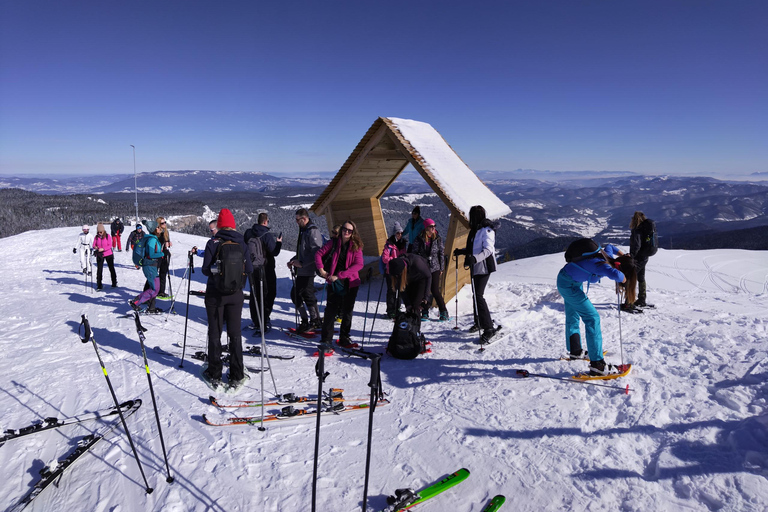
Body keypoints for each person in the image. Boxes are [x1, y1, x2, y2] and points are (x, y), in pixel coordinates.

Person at [557, 238, 630, 376]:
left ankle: (576, 351)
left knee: (573, 316)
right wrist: (625, 278)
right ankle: (598, 366)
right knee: (592, 318)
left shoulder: (603, 254)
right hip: (568, 285)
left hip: (567, 280)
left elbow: (610, 246)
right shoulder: (601, 264)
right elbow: (618, 276)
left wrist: (624, 255)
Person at [200, 208, 253, 392]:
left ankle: (215, 373)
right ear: (233, 225)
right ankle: (237, 373)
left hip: (215, 296)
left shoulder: (213, 242)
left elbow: (205, 270)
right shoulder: (242, 243)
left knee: (215, 333)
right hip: (236, 296)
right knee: (235, 333)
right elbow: (251, 269)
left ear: (220, 225)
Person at [453, 205, 500, 344]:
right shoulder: (476, 230)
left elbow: (488, 250)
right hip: (476, 266)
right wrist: (462, 252)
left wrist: (474, 258)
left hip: (484, 266)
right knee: (476, 295)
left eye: (471, 216)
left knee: (479, 296)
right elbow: (472, 248)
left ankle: (488, 328)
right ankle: (479, 321)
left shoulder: (487, 230)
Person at [315, 220, 364, 348]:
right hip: (334, 282)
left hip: (350, 282)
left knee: (347, 311)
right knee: (330, 310)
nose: (346, 232)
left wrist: (340, 275)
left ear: (353, 233)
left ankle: (344, 337)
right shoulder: (334, 243)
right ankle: (326, 339)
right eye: (344, 229)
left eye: (349, 230)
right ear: (341, 230)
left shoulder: (356, 246)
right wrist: (321, 270)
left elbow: (359, 264)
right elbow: (319, 254)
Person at [245, 212, 282, 334]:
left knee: (255, 294)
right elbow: (274, 252)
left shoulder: (248, 233)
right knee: (268, 294)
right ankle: (264, 320)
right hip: (266, 269)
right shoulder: (266, 235)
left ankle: (255, 320)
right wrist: (279, 243)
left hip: (252, 268)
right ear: (266, 221)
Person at [287, 208, 323, 333]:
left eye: (298, 219)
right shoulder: (304, 231)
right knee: (297, 295)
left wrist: (301, 263)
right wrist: (294, 260)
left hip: (308, 270)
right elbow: (302, 252)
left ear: (304, 218)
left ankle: (314, 321)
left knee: (306, 295)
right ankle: (308, 320)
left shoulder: (312, 231)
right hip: (302, 269)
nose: (296, 222)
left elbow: (316, 253)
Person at [412, 218, 449, 321]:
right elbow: (414, 253)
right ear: (426, 227)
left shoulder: (437, 238)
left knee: (435, 290)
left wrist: (441, 268)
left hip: (435, 267)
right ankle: (424, 311)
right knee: (424, 290)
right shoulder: (419, 238)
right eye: (431, 226)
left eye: (434, 226)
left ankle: (443, 311)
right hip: (423, 267)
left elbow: (441, 253)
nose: (433, 228)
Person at [387, 253, 432, 332]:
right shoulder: (395, 269)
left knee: (415, 306)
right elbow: (401, 289)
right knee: (410, 307)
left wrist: (426, 296)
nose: (396, 277)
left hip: (421, 279)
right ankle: (409, 331)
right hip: (408, 281)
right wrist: (407, 304)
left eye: (398, 275)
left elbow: (428, 276)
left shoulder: (416, 262)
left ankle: (416, 332)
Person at [129, 220, 165, 312]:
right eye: (157, 227)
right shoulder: (152, 240)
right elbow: (151, 254)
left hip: (151, 266)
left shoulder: (152, 238)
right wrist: (162, 254)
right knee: (154, 289)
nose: (159, 228)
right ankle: (136, 302)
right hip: (149, 266)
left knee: (155, 288)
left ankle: (145, 304)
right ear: (154, 229)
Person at [629, 211, 656, 308]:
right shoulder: (646, 229)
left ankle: (629, 301)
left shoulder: (637, 230)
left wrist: (631, 255)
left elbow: (636, 245)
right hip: (644, 257)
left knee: (630, 277)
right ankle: (641, 299)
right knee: (641, 278)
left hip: (638, 258)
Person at [380, 221, 407, 319]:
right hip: (390, 271)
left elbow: (405, 256)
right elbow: (384, 258)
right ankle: (391, 310)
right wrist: (395, 261)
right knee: (391, 291)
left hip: (400, 271)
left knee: (400, 290)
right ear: (394, 233)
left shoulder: (403, 244)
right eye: (398, 233)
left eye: (401, 233)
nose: (400, 235)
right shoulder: (389, 245)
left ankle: (397, 308)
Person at [92, 222, 117, 290]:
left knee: (111, 268)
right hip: (100, 255)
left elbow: (110, 245)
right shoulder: (96, 237)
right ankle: (99, 285)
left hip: (108, 254)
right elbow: (93, 245)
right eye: (98, 232)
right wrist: (96, 247)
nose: (100, 233)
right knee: (99, 270)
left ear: (103, 230)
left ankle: (114, 282)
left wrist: (103, 249)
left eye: (101, 232)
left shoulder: (107, 236)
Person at [156, 216, 173, 298]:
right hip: (158, 255)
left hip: (165, 254)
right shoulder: (157, 232)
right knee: (154, 273)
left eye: (165, 222)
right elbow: (157, 244)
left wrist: (169, 243)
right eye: (162, 223)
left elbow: (166, 241)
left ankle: (161, 291)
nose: (164, 224)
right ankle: (149, 292)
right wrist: (164, 244)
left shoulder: (166, 232)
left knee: (163, 273)